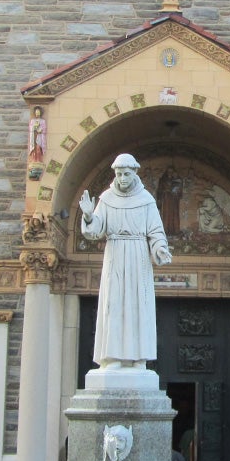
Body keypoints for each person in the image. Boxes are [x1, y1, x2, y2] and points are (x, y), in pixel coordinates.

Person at [79, 153, 172, 370]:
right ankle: (113, 357)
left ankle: (139, 358)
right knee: (114, 305)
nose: (122, 178)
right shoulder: (106, 199)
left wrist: (160, 248)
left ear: (135, 173)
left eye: (126, 174)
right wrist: (89, 217)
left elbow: (156, 230)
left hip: (139, 256)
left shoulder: (147, 200)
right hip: (115, 253)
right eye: (119, 174)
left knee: (139, 305)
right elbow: (95, 231)